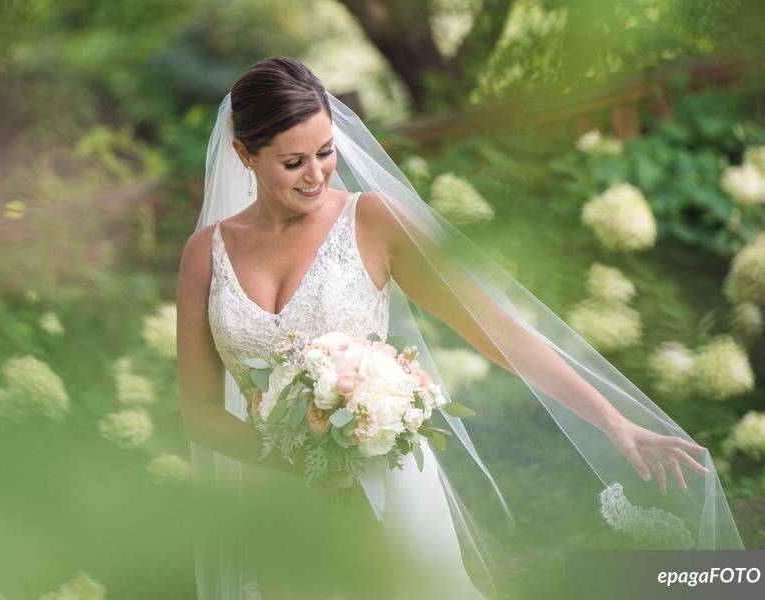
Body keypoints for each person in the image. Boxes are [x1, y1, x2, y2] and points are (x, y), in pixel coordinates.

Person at [176, 57, 743, 599]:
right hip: (273, 502)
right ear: (244, 155)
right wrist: (295, 463)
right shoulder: (206, 254)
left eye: (325, 152)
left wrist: (613, 420)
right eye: (293, 162)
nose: (317, 174)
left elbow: (498, 330)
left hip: (387, 491)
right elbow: (200, 412)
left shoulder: (374, 221)